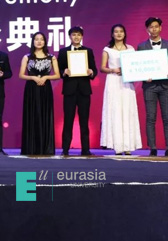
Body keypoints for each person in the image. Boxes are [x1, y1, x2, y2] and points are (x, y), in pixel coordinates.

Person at [100, 24, 141, 155]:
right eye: (116, 32)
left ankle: (128, 146)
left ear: (124, 33)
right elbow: (102, 68)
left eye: (121, 31)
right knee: (115, 111)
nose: (119, 34)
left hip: (127, 82)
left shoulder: (131, 49)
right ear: (112, 34)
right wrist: (113, 70)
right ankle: (117, 146)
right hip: (113, 82)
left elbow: (135, 66)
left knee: (127, 111)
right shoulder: (107, 49)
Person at [57, 26, 98, 156]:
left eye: (78, 35)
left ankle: (85, 149)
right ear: (70, 36)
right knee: (68, 120)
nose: (76, 37)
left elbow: (94, 69)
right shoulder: (63, 52)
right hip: (69, 90)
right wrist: (64, 72)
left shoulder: (88, 51)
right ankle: (65, 149)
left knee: (84, 121)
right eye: (74, 35)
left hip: (84, 90)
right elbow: (58, 70)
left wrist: (91, 72)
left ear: (82, 37)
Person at [19, 32, 60, 155]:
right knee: (32, 116)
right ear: (33, 42)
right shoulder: (27, 57)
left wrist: (46, 77)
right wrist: (33, 78)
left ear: (45, 42)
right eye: (36, 39)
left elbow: (57, 75)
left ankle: (46, 148)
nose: (39, 41)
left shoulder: (51, 57)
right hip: (31, 89)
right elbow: (21, 75)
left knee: (45, 115)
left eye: (41, 39)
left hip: (45, 89)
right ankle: (31, 148)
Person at [137, 17, 168, 157]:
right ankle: (152, 147)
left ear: (160, 28)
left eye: (156, 26)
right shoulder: (141, 46)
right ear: (147, 29)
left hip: (166, 85)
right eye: (151, 27)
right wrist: (143, 75)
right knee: (151, 117)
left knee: (167, 117)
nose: (154, 29)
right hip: (149, 86)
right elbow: (138, 66)